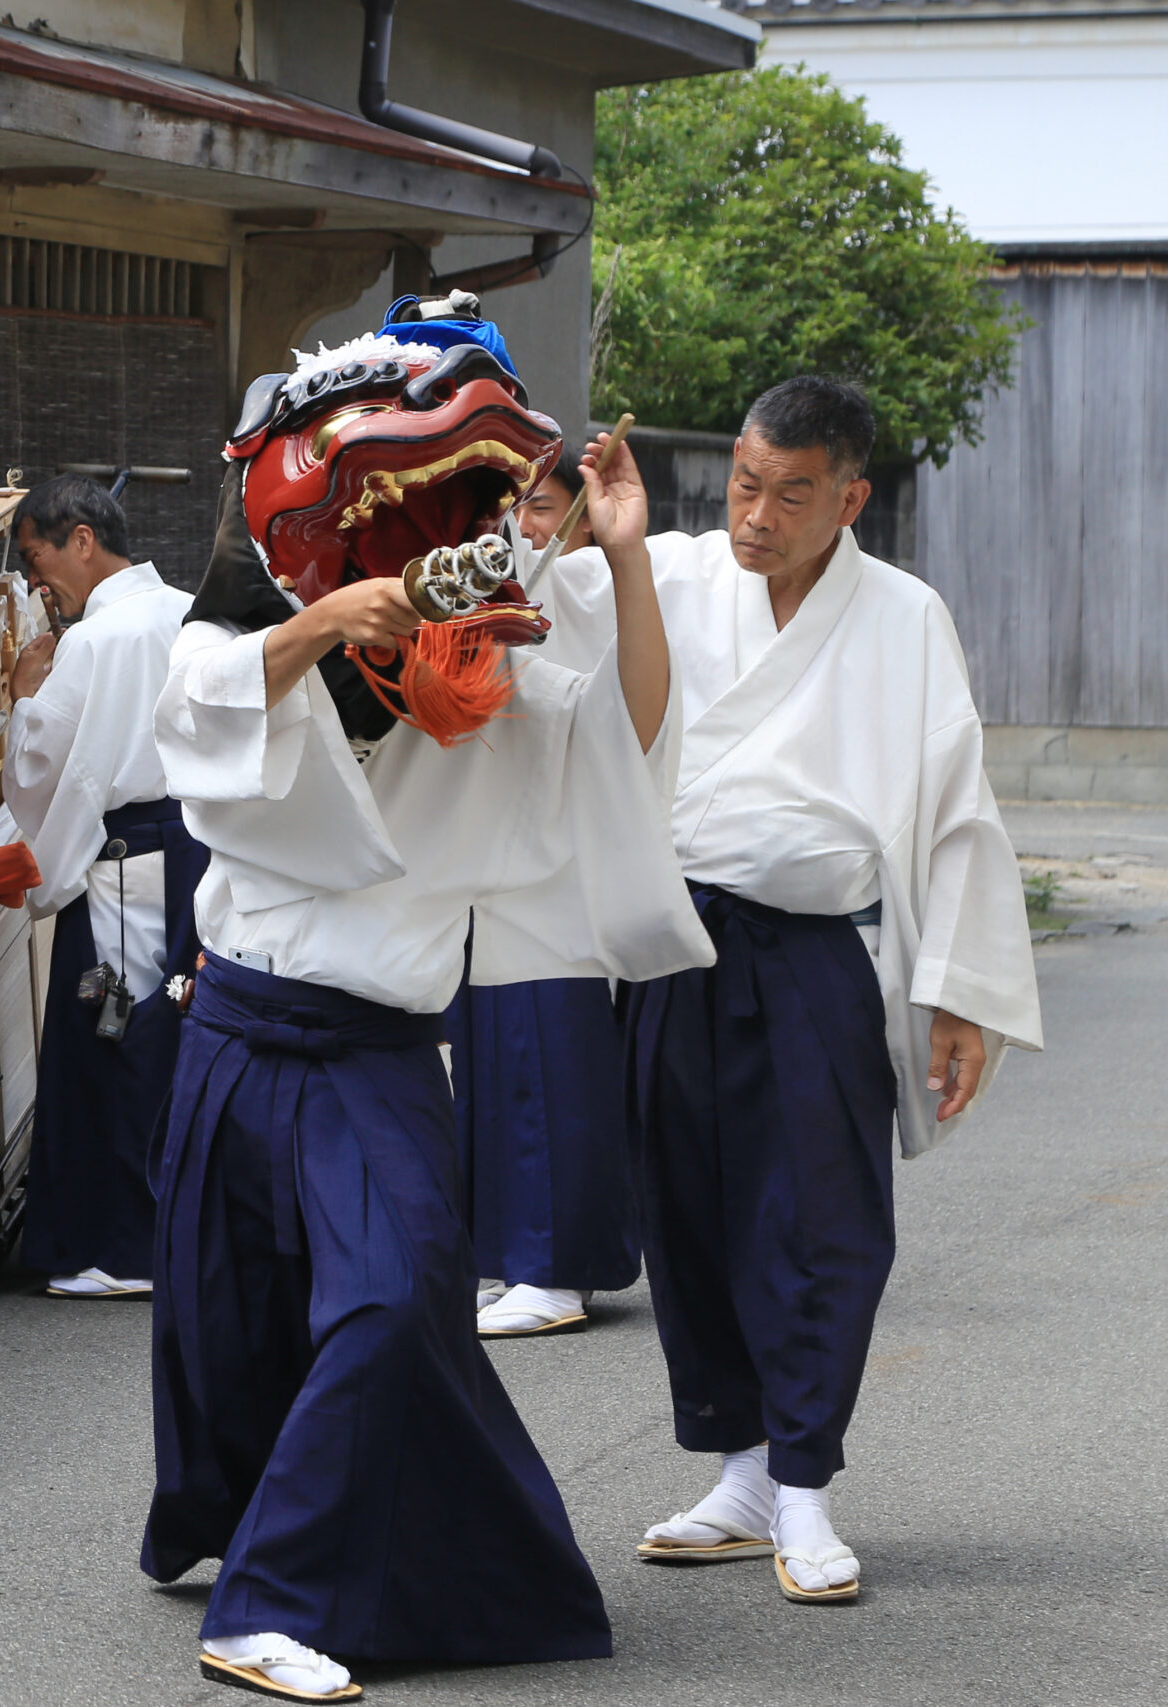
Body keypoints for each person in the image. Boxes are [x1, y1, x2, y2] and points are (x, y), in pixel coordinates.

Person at [142, 303, 714, 1700]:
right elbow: (192, 711)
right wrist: (332, 619)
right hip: (235, 1014)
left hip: (376, 1041)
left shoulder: (526, 597)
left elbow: (635, 736)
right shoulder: (282, 584)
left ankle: (266, 1601)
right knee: (231, 1325)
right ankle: (235, 1526)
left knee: (396, 1298)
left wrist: (624, 556)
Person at [594, 377, 1042, 1604]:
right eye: (744, 483)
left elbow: (957, 811)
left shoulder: (902, 617)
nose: (757, 515)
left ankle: (803, 1486)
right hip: (680, 943)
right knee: (685, 1213)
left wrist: (957, 994)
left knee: (820, 1221)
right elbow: (570, 672)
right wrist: (596, 543)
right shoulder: (669, 573)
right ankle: (741, 1471)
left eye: (792, 494)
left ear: (848, 497)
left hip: (813, 960)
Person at [441, 444, 638, 1338]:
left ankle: (558, 1265)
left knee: (549, 1056)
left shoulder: (592, 576)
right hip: (495, 843)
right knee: (493, 1059)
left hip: (556, 850)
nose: (524, 526)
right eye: (508, 507)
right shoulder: (510, 574)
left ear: (589, 513)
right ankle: (513, 1253)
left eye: (545, 504)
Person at [1, 474, 205, 1299]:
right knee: (175, 1028)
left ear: (81, 538)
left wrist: (22, 698)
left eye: (35, 555)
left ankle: (126, 1248)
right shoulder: (191, 608)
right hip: (195, 844)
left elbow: (54, 766)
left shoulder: (92, 640)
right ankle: (179, 1232)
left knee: (113, 1033)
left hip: (125, 859)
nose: (34, 579)